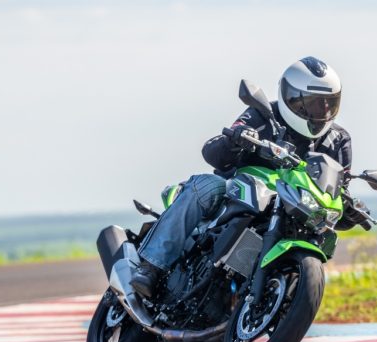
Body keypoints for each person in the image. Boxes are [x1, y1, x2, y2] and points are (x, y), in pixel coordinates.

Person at [131, 56, 364, 298]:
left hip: (294, 205)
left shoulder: (338, 140)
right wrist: (237, 138)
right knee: (206, 186)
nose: (323, 110)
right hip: (239, 189)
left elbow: (338, 187)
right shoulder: (264, 114)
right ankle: (151, 266)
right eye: (314, 103)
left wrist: (350, 209)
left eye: (329, 103)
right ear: (292, 98)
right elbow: (212, 152)